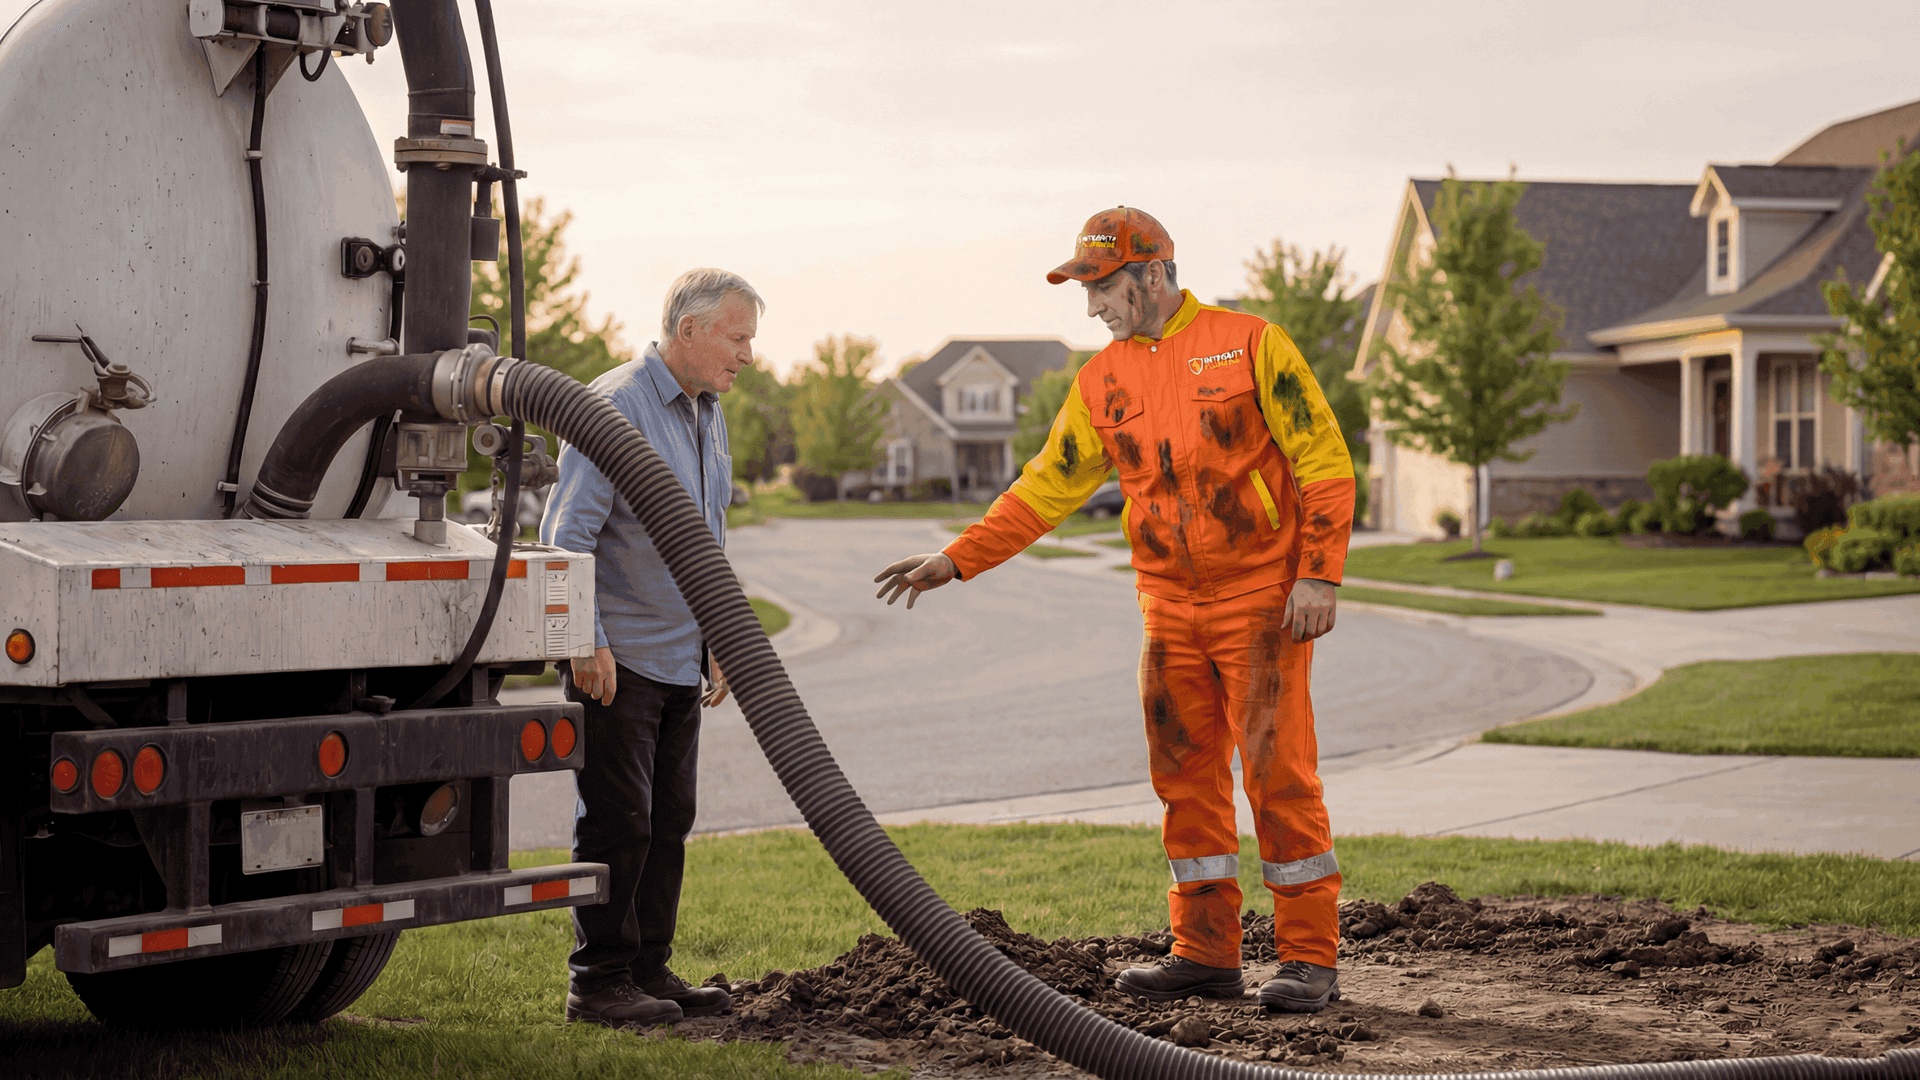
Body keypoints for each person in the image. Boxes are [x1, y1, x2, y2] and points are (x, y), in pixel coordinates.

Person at [873, 208, 1354, 1013]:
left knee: (1277, 776)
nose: (1091, 306)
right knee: (1183, 778)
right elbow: (1045, 486)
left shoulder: (1252, 343)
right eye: (1086, 289)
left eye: (1101, 287)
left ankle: (1310, 956)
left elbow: (1323, 458)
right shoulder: (1102, 381)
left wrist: (1319, 575)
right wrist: (957, 559)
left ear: (1153, 276)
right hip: (1167, 610)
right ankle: (1205, 953)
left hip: (1260, 604)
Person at [541, 268, 764, 1030]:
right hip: (618, 660)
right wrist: (582, 641)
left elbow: (707, 538)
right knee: (617, 822)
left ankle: (647, 968)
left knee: (670, 818)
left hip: (679, 656)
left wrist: (719, 638)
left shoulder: (706, 413)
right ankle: (596, 982)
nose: (747, 354)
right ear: (690, 329)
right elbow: (564, 537)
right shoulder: (615, 406)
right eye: (737, 338)